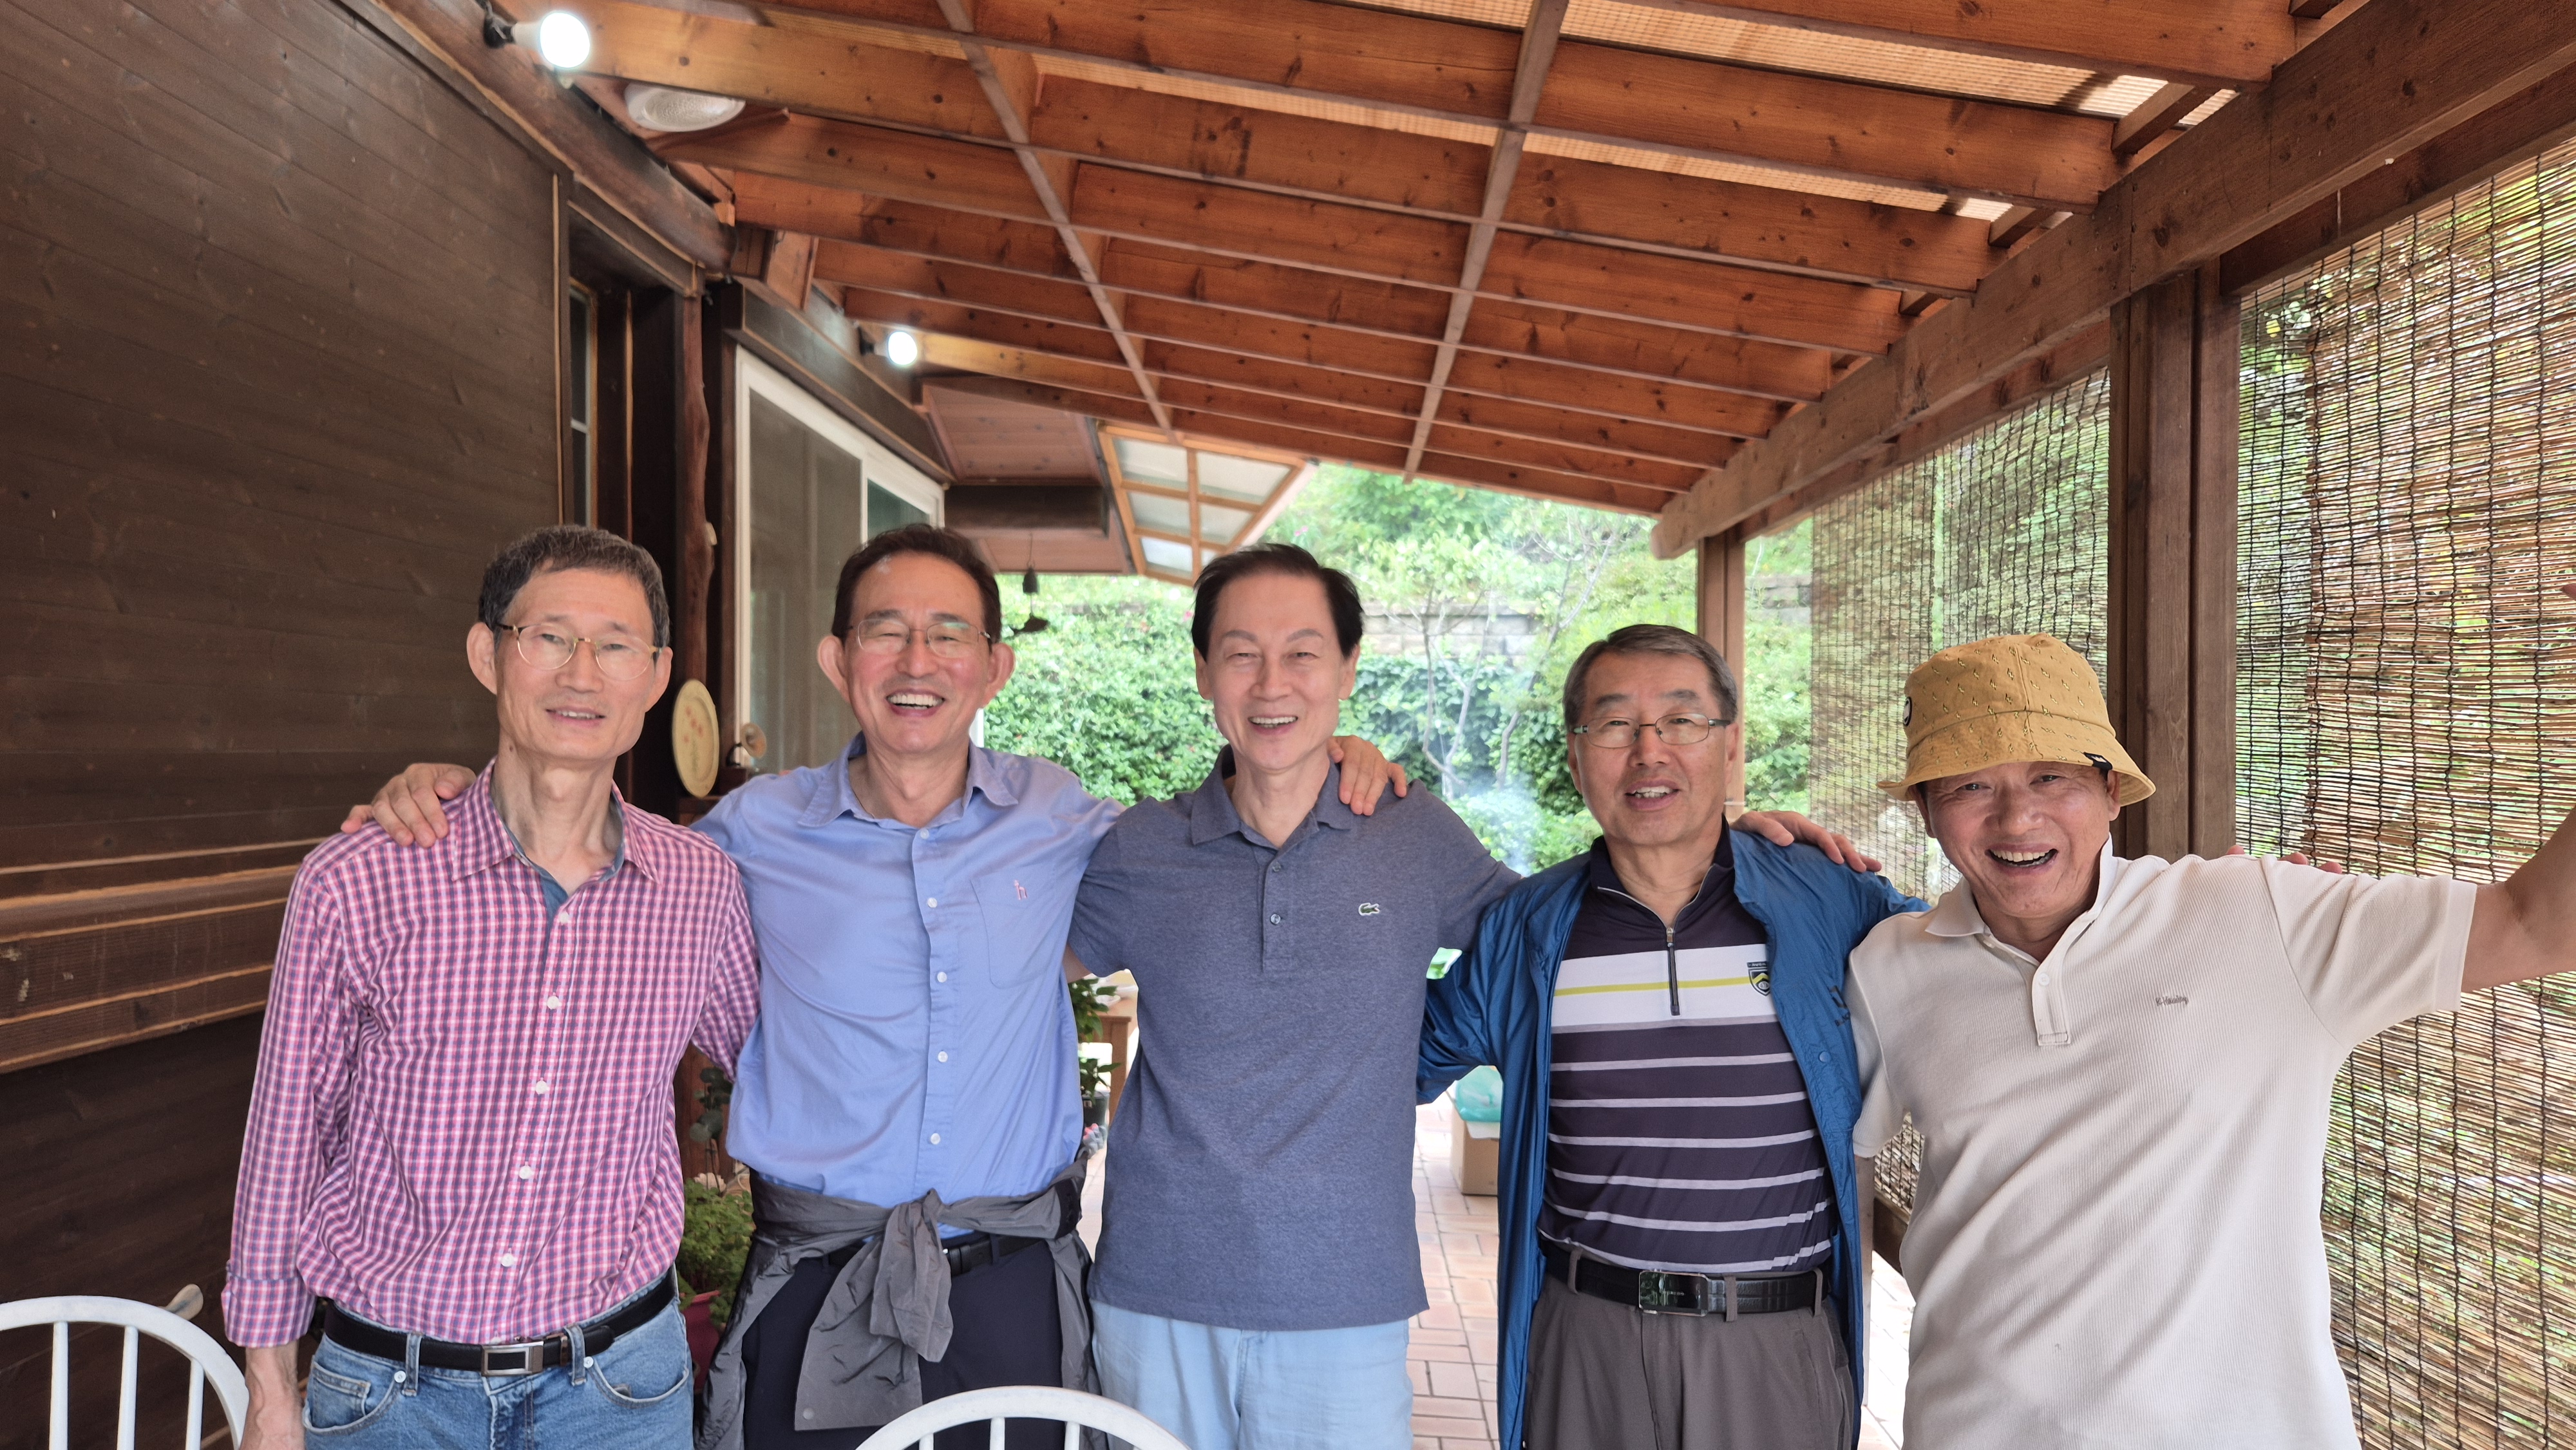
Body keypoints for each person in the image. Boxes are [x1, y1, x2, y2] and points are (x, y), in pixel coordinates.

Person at [344, 525, 1408, 1449]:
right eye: (886, 632)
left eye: (949, 634)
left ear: (994, 667)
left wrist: (1327, 756)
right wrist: (459, 793)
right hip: (817, 1280)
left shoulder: (1066, 822)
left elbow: (1221, 843)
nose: (917, 661)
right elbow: (587, 843)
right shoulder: (751, 834)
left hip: (1010, 1283)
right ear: (838, 659)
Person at [1847, 632, 2576, 1449]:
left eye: (2052, 776)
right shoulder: (1884, 968)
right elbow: (1830, 1186)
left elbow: (2540, 926)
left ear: (2111, 789)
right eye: (1970, 784)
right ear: (1927, 810)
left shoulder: (2264, 913)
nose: (2017, 816)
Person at [226, 526, 762, 1450]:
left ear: (655, 675)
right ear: (488, 654)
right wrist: (270, 1396)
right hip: (391, 1394)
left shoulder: (699, 887)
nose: (581, 673)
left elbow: (782, 1065)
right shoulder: (360, 879)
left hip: (619, 1391)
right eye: (549, 637)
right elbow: (286, 1137)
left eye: (616, 645)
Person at [1061, 545, 1519, 1449]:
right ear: (1204, 672)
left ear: (1348, 669)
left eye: (1303, 653)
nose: (1272, 683)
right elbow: (1008, 971)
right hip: (1158, 1288)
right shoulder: (1143, 847)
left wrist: (1724, 846)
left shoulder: (1412, 834)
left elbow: (1551, 937)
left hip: (1346, 1294)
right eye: (1242, 654)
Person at [1418, 623, 1916, 1450]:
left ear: (1730, 743)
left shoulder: (1826, 900)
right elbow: (1387, 1058)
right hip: (1588, 1341)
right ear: (1576, 754)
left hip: (1770, 1346)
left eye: (1682, 721)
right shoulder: (1529, 929)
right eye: (1614, 724)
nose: (1648, 751)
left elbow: (1966, 968)